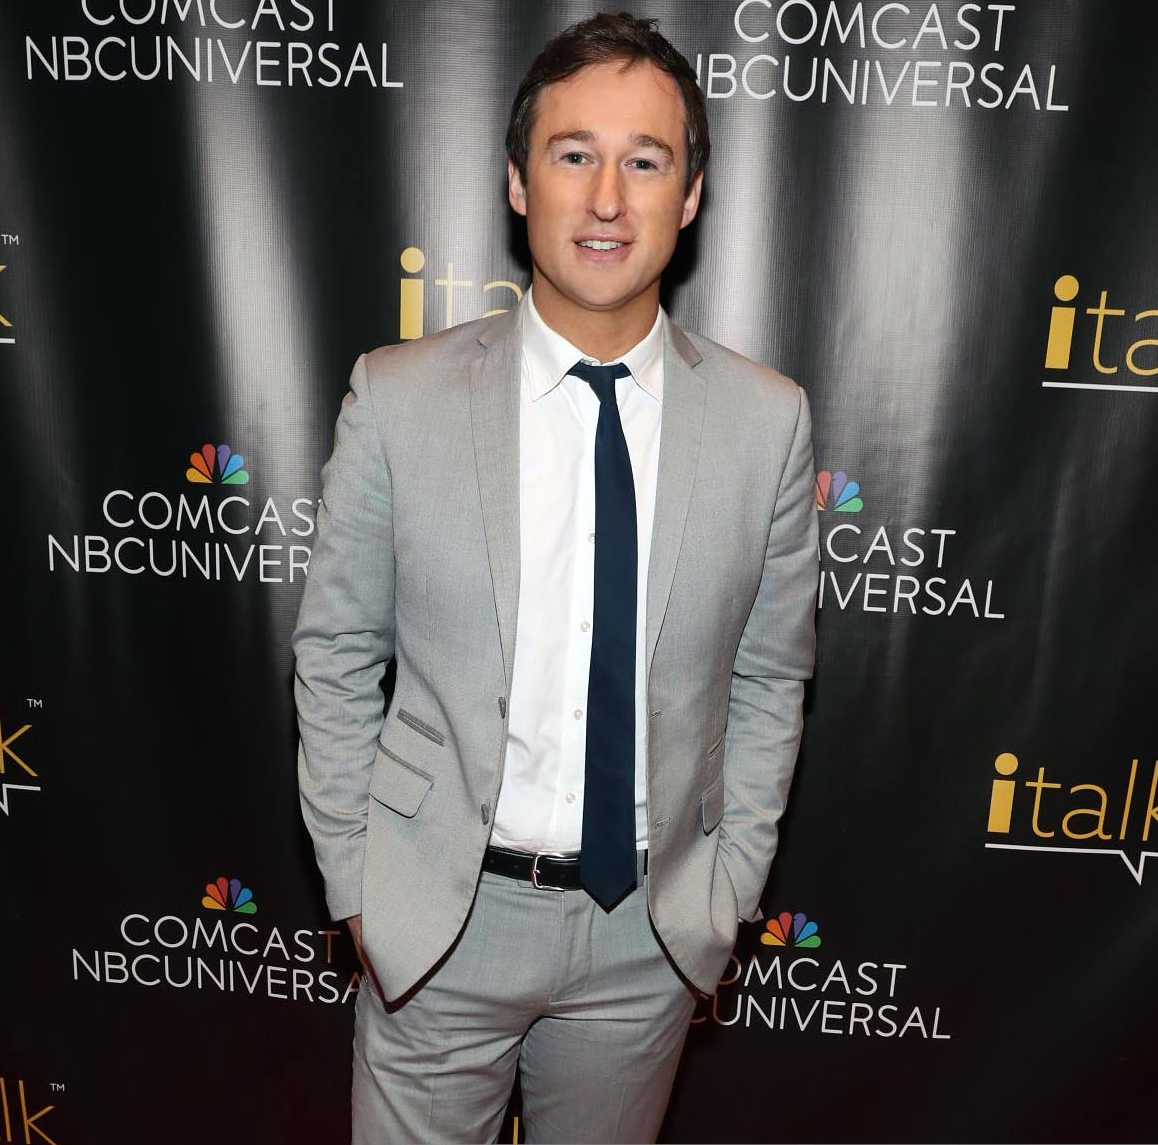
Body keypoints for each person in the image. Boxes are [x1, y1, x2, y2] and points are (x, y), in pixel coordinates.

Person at [293, 12, 818, 1143]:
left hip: (648, 936)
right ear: (519, 183)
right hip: (439, 923)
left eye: (647, 161)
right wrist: (362, 884)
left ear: (691, 195)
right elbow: (335, 651)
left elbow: (772, 677)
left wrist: (724, 892)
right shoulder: (398, 398)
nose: (608, 198)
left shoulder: (767, 421)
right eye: (575, 154)